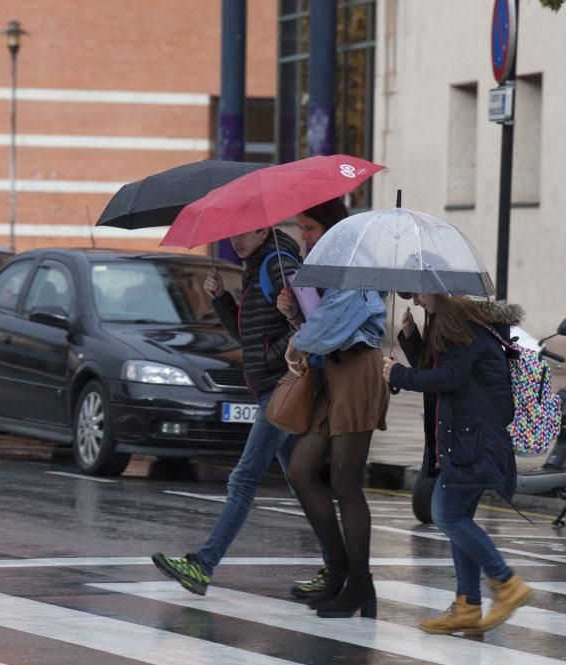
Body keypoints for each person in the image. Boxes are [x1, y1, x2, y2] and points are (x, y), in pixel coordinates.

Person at [151, 225, 321, 596]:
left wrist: (268, 357)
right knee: (302, 483)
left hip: (280, 389)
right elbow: (247, 335)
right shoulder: (256, 265)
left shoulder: (278, 264)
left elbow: (310, 322)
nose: (234, 240)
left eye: (244, 233)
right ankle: (340, 566)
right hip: (269, 388)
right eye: (232, 234)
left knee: (243, 480)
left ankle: (203, 564)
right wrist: (220, 299)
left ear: (263, 230)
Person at [382, 294, 532, 635]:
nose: (416, 300)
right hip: (469, 439)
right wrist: (411, 338)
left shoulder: (464, 328)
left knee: (446, 515)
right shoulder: (458, 326)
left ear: (440, 289)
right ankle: (468, 605)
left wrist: (398, 374)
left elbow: (447, 378)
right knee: (458, 519)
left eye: (420, 292)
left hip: (473, 443)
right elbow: (440, 371)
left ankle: (507, 584)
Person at [277, 198, 390, 619]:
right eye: (301, 228)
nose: (303, 236)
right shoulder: (322, 266)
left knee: (345, 486)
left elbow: (330, 326)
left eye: (308, 227)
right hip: (332, 374)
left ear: (330, 226)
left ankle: (359, 583)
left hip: (358, 371)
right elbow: (319, 327)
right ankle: (343, 570)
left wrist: (298, 338)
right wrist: (294, 317)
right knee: (301, 470)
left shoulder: (352, 265)